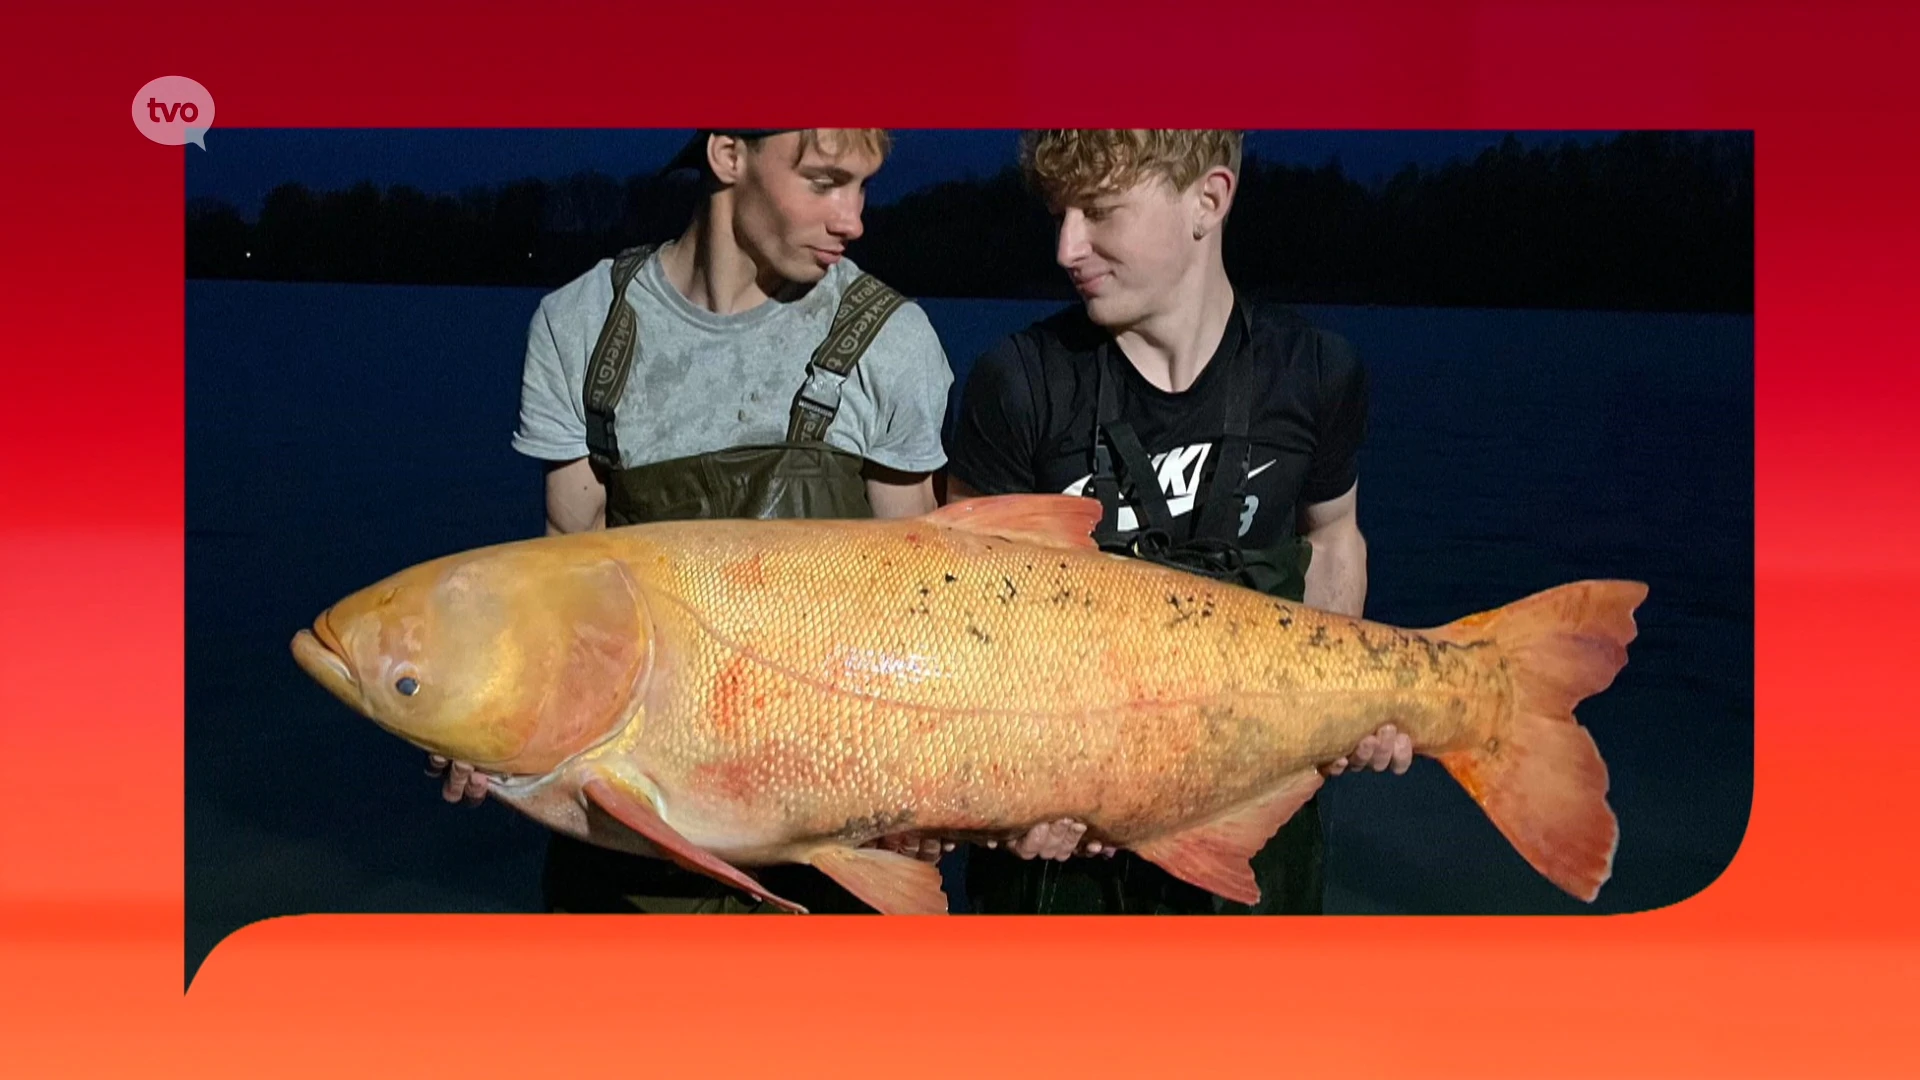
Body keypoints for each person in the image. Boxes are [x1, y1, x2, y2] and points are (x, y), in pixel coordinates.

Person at [428, 128, 956, 914]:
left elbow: (929, 604)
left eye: (863, 187)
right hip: (632, 852)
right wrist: (483, 723)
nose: (854, 219)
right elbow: (565, 584)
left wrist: (944, 784)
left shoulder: (892, 340)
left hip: (829, 830)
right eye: (823, 182)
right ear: (728, 156)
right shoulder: (579, 326)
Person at [945, 129, 1410, 915]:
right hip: (1065, 863)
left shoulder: (1314, 371)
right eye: (1059, 214)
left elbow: (1332, 536)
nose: (1067, 246)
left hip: (1253, 834)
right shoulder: (1019, 384)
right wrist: (999, 795)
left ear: (1209, 200)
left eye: (1099, 212)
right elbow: (957, 619)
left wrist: (1342, 710)